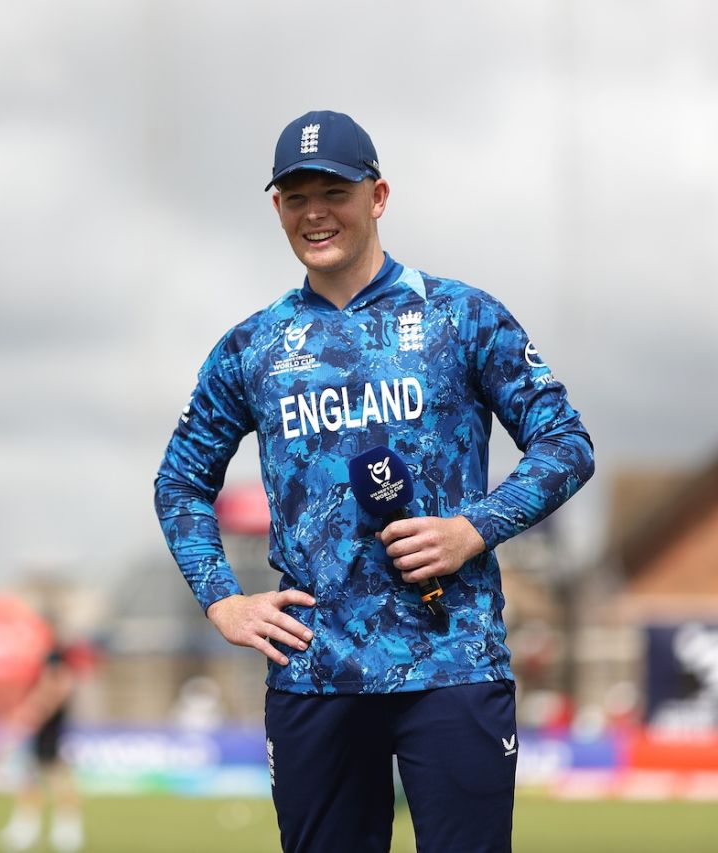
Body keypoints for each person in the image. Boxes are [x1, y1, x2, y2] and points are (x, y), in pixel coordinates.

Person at [153, 110, 594, 853]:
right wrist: (221, 597)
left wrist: (473, 528)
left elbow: (566, 442)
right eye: (297, 198)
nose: (315, 213)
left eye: (335, 192)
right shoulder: (252, 346)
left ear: (378, 196)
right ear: (277, 208)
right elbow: (180, 481)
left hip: (454, 660)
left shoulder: (460, 315)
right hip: (313, 672)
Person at [0, 632, 84, 852]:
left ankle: (66, 830)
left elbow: (41, 706)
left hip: (51, 738)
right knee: (31, 783)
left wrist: (21, 721)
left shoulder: (58, 679)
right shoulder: (51, 679)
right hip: (41, 738)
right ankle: (29, 828)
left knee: (57, 782)